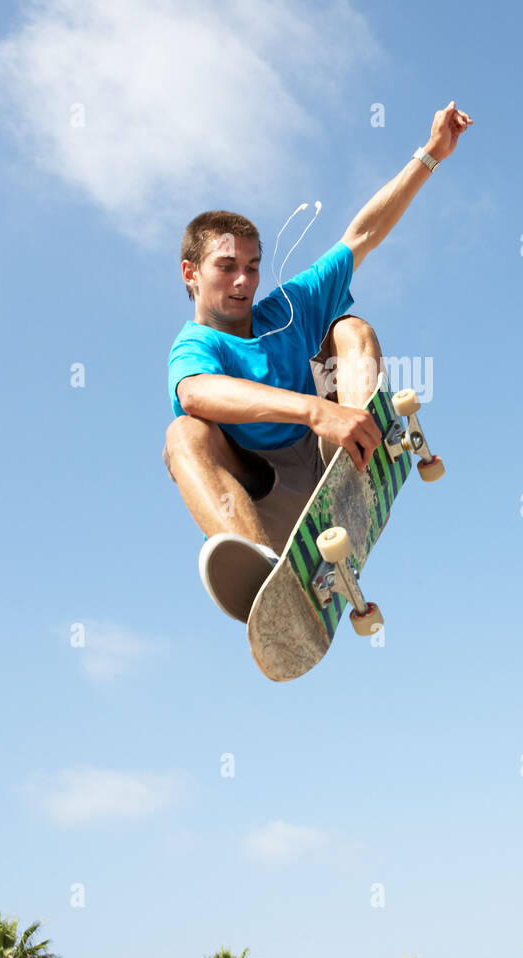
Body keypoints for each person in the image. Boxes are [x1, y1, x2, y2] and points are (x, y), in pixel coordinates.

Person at [164, 100, 472, 620]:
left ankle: (360, 466)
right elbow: (194, 393)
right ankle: (266, 571)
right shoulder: (196, 346)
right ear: (190, 273)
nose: (244, 281)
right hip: (266, 502)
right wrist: (312, 410)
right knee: (182, 436)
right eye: (226, 267)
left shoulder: (289, 306)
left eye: (252, 266)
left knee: (350, 329)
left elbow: (363, 235)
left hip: (336, 453)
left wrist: (432, 154)